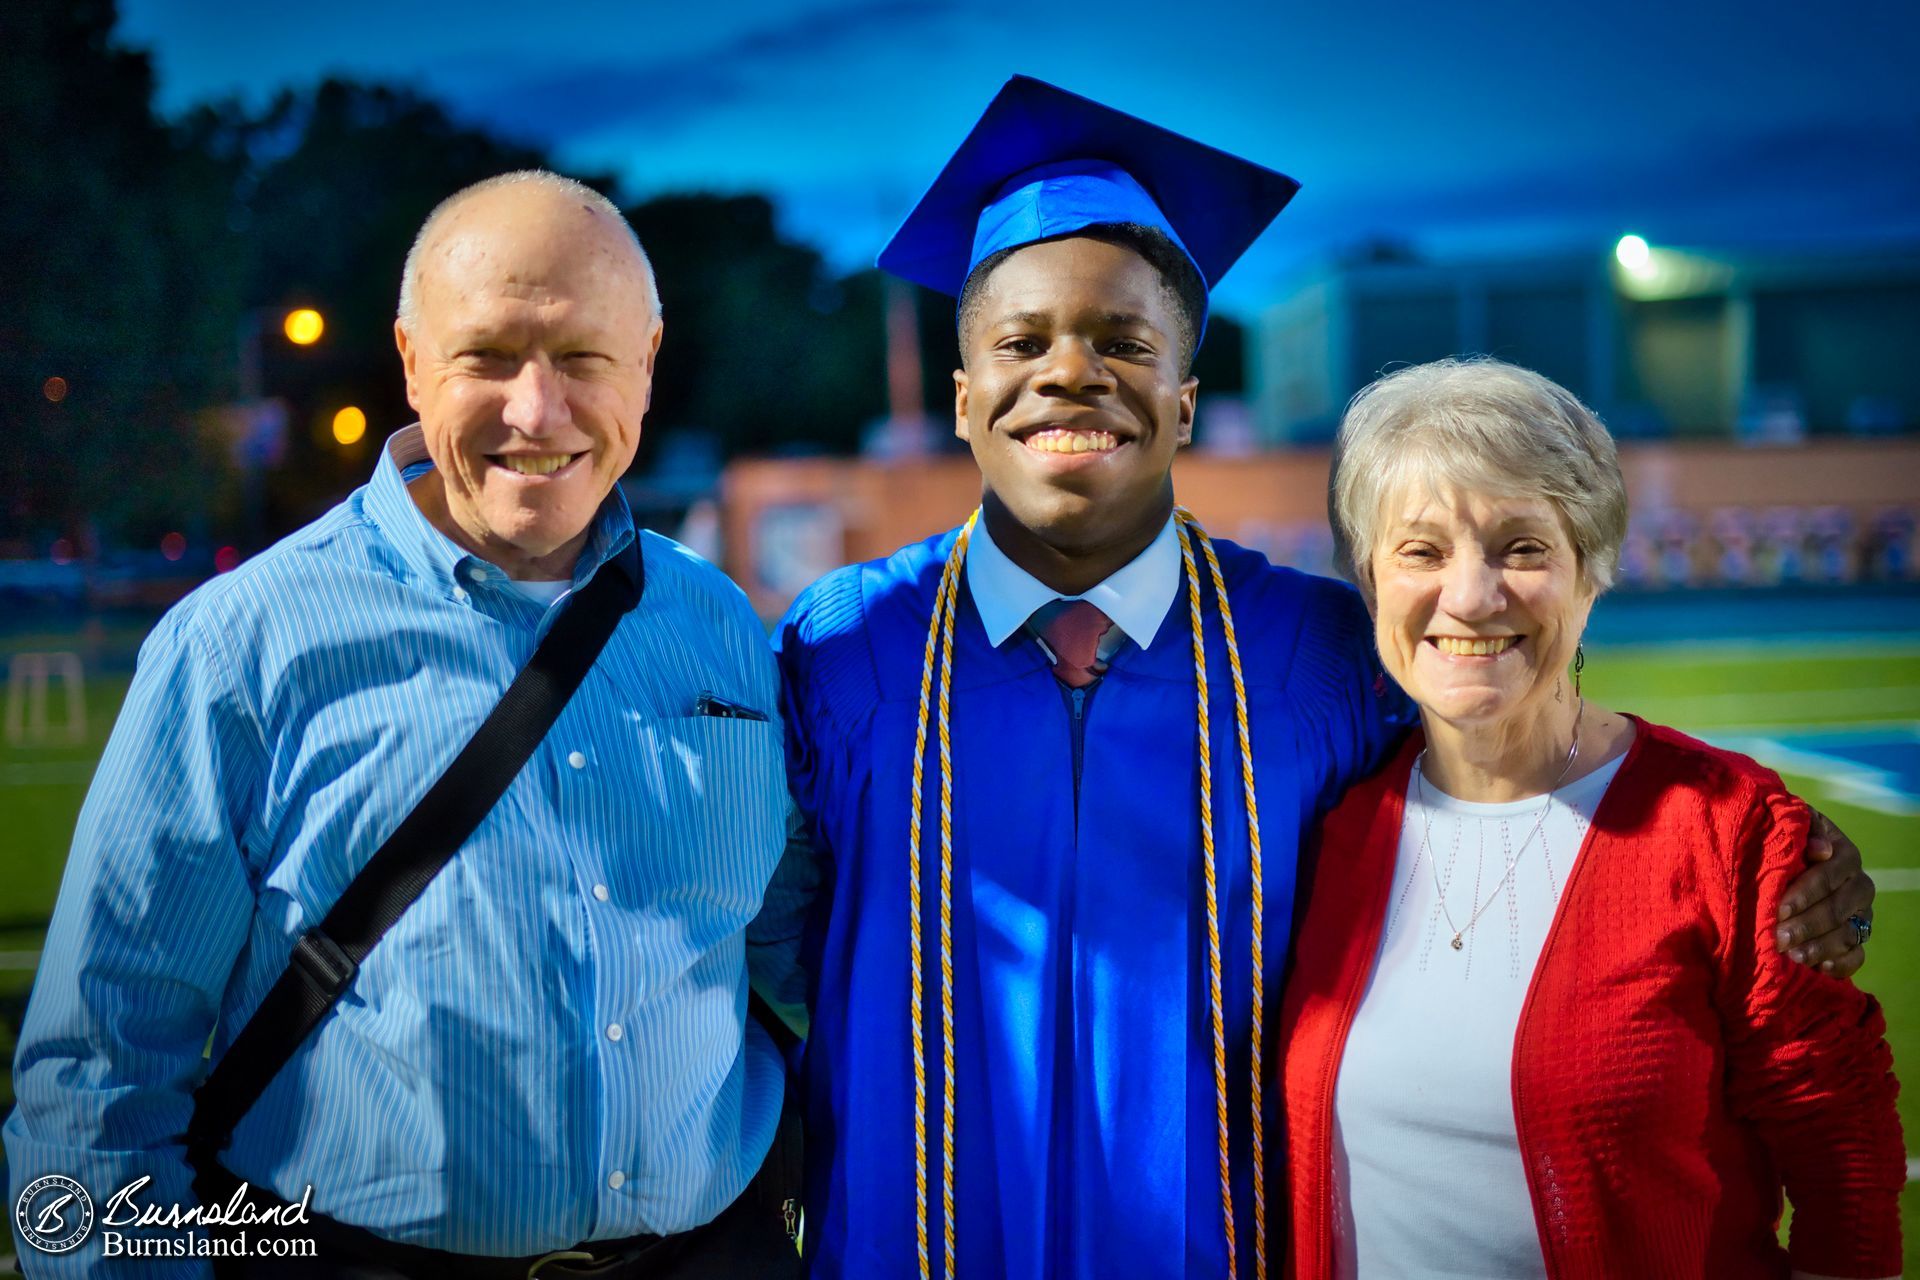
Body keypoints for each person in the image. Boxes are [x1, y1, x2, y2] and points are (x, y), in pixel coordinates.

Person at [772, 78, 1875, 1280]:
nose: (1071, 374)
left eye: (1128, 343)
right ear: (964, 400)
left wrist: (1787, 861)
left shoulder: (1317, 652)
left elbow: (1511, 756)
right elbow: (750, 920)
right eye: (1022, 344)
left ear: (1187, 400)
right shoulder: (846, 645)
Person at [6, 171, 805, 1278]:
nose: (538, 410)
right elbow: (96, 1070)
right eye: (487, 357)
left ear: (649, 360)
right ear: (413, 360)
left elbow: (802, 954)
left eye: (583, 357)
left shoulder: (718, 623)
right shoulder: (238, 645)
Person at [1279, 358, 1904, 1280]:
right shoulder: (1327, 825)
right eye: (1421, 550)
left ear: (1594, 570)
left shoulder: (1726, 829)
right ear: (1368, 580)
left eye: (1523, 547)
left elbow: (1841, 1149)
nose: (1471, 595)